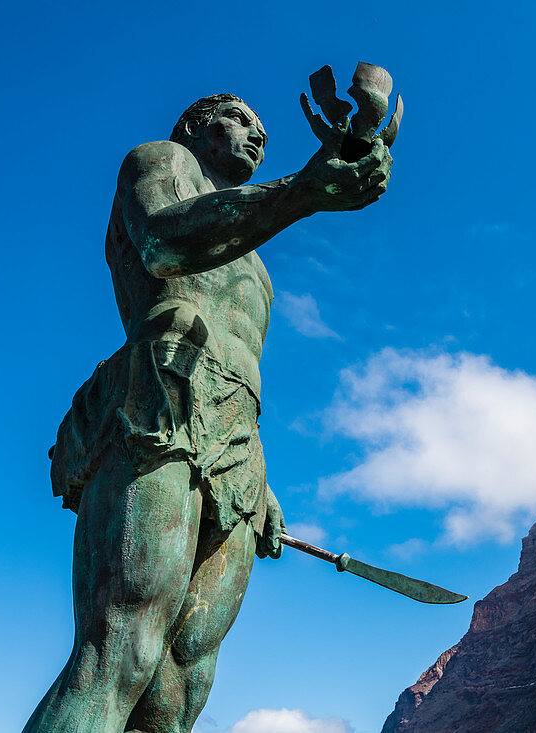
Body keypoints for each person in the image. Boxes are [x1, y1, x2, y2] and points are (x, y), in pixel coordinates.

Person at [24, 93, 391, 733]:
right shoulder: (158, 160)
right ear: (200, 124)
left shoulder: (258, 265)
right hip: (163, 391)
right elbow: (166, 245)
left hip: (238, 436)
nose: (256, 138)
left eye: (265, 135)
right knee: (124, 644)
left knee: (183, 682)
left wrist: (261, 481)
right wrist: (304, 189)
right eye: (243, 122)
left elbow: (243, 363)